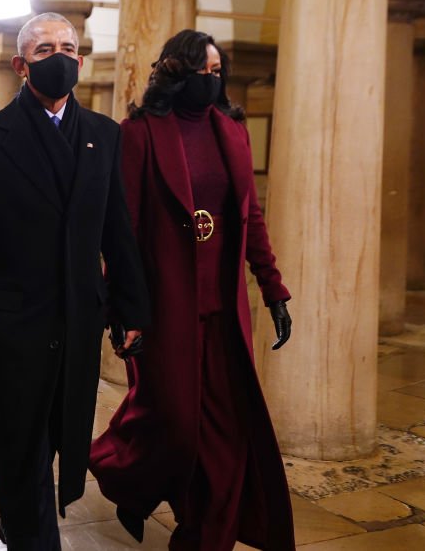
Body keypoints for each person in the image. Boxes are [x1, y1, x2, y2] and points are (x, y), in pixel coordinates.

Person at [0, 12, 151, 550]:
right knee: (19, 446)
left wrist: (130, 308)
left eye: (67, 47)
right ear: (20, 65)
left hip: (81, 318)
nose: (58, 57)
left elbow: (117, 229)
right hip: (15, 325)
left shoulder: (104, 136)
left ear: (80, 60)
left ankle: (22, 525)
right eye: (43, 50)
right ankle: (32, 537)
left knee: (63, 436)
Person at [89, 29, 296, 551]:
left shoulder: (233, 130)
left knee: (227, 432)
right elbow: (125, 230)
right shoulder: (138, 133)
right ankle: (123, 474)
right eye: (202, 70)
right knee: (174, 424)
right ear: (175, 72)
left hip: (224, 308)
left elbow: (250, 214)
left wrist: (272, 288)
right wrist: (122, 310)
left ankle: (207, 535)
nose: (212, 79)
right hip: (165, 307)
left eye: (217, 70)